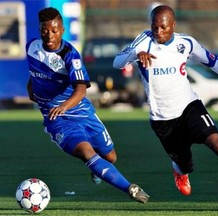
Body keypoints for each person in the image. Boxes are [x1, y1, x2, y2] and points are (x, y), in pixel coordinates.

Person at [113, 5, 218, 200]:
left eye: (163, 27)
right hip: (162, 119)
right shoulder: (144, 41)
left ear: (173, 25)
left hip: (189, 107)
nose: (158, 32)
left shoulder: (186, 43)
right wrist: (135, 54)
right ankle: (180, 171)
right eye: (154, 27)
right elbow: (117, 62)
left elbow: (215, 62)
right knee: (185, 164)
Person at [26, 7, 149, 204]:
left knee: (111, 157)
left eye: (54, 30)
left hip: (82, 112)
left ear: (62, 30)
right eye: (44, 30)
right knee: (86, 152)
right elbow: (34, 73)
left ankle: (98, 170)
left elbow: (81, 90)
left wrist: (65, 106)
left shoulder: (70, 56)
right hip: (57, 120)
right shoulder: (31, 47)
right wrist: (33, 91)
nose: (49, 35)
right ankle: (130, 188)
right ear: (39, 29)